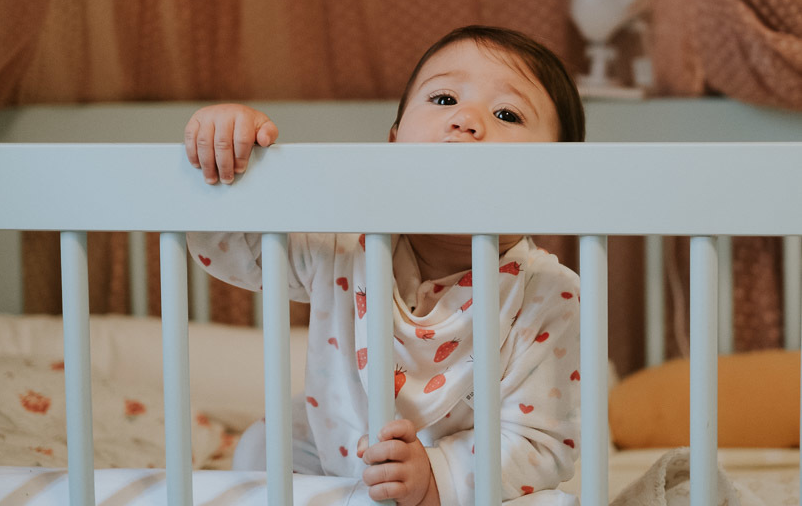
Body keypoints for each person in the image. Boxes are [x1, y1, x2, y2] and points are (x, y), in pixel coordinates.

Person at [183, 25, 585, 506]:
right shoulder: (346, 243)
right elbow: (236, 248)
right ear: (393, 143)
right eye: (442, 99)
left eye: (506, 113)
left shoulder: (549, 294)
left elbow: (540, 442)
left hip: (465, 480)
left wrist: (435, 476)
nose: (466, 120)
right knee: (261, 447)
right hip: (333, 456)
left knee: (552, 503)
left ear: (556, 180)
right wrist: (228, 156)